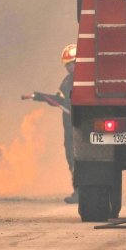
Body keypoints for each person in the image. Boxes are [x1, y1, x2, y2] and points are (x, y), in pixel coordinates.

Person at [23, 44, 78, 203]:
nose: (69, 67)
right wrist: (37, 96)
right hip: (70, 126)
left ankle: (84, 191)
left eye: (72, 63)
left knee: (81, 157)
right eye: (67, 65)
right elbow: (58, 100)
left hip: (83, 125)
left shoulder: (89, 78)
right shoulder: (67, 82)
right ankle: (78, 192)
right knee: (72, 158)